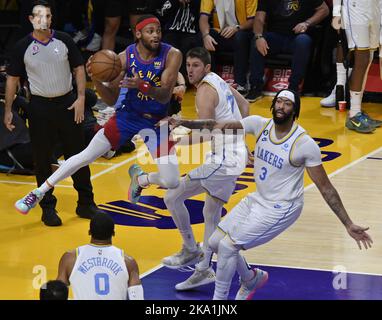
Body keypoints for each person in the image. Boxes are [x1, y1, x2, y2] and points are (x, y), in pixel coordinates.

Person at [167, 88, 372, 300]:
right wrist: (186, 122)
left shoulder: (304, 144)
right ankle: (250, 278)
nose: (282, 106)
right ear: (273, 105)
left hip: (282, 207)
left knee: (228, 247)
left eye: (287, 103)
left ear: (295, 111)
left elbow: (326, 188)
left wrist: (348, 223)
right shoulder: (260, 124)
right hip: (258, 200)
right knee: (215, 241)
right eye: (279, 102)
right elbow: (219, 125)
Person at [14, 14, 182, 215]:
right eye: (150, 31)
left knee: (172, 181)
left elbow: (164, 96)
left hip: (156, 122)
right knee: (85, 156)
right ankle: (38, 192)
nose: (156, 35)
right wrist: (98, 80)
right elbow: (110, 100)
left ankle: (141, 179)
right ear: (138, 34)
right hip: (127, 117)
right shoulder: (123, 58)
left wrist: (141, 85)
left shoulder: (172, 54)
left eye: (158, 31)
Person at [5, 0, 102, 226]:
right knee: (42, 159)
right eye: (39, 16)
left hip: (68, 104)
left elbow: (79, 69)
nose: (44, 20)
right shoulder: (22, 46)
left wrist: (80, 99)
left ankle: (86, 203)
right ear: (31, 19)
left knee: (78, 156)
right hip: (39, 107)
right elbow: (12, 79)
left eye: (48, 16)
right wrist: (8, 110)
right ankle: (47, 207)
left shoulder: (65, 40)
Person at [160, 47, 249, 291]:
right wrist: (241, 141)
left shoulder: (204, 92)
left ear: (206, 68)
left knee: (172, 195)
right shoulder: (218, 79)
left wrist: (176, 142)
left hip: (222, 161)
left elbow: (207, 133)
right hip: (233, 157)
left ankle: (190, 249)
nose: (190, 70)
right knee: (211, 215)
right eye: (188, 65)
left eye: (196, 65)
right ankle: (206, 270)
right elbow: (244, 106)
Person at [246, 0, 329, 102]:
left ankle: (293, 88)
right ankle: (255, 86)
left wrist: (307, 23)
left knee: (303, 41)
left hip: (297, 36)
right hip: (275, 36)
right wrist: (258, 36)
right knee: (256, 41)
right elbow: (259, 18)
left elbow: (324, 10)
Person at [56, 212, 143, 300]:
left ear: (89, 232)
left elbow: (57, 294)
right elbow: (137, 297)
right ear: (113, 233)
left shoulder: (70, 259)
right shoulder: (128, 262)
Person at [331, 0, 382, 133]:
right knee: (362, 58)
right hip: (355, 7)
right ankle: (354, 114)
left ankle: (357, 111)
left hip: (375, 7)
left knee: (369, 57)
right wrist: (336, 12)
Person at [199, 0, 257, 96]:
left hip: (242, 30)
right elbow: (203, 18)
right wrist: (205, 35)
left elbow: (252, 20)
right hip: (221, 31)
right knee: (208, 36)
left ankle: (241, 84)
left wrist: (236, 28)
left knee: (240, 37)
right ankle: (211, 82)